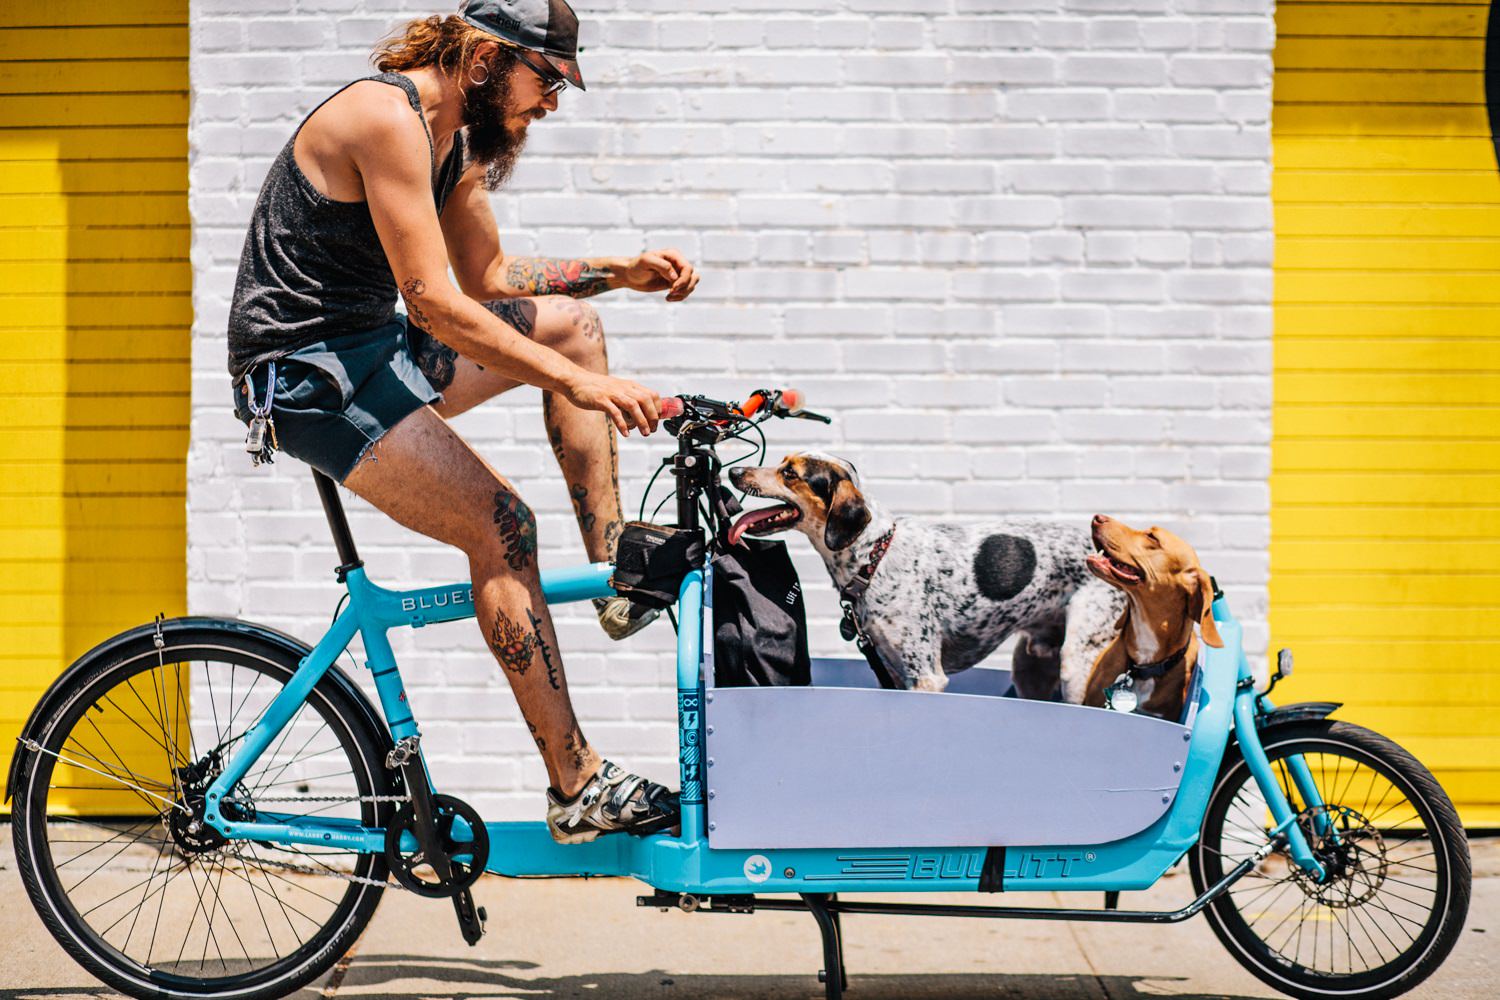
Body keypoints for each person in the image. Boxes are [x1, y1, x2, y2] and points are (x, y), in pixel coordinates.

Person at [224, 0, 697, 843]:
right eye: (545, 80)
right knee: (502, 527)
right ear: (485, 58)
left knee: (574, 329)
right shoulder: (383, 115)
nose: (551, 103)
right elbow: (435, 301)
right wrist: (577, 389)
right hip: (308, 374)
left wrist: (615, 271)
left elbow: (487, 274)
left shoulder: (456, 142)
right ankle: (576, 784)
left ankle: (612, 572)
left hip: (374, 348)